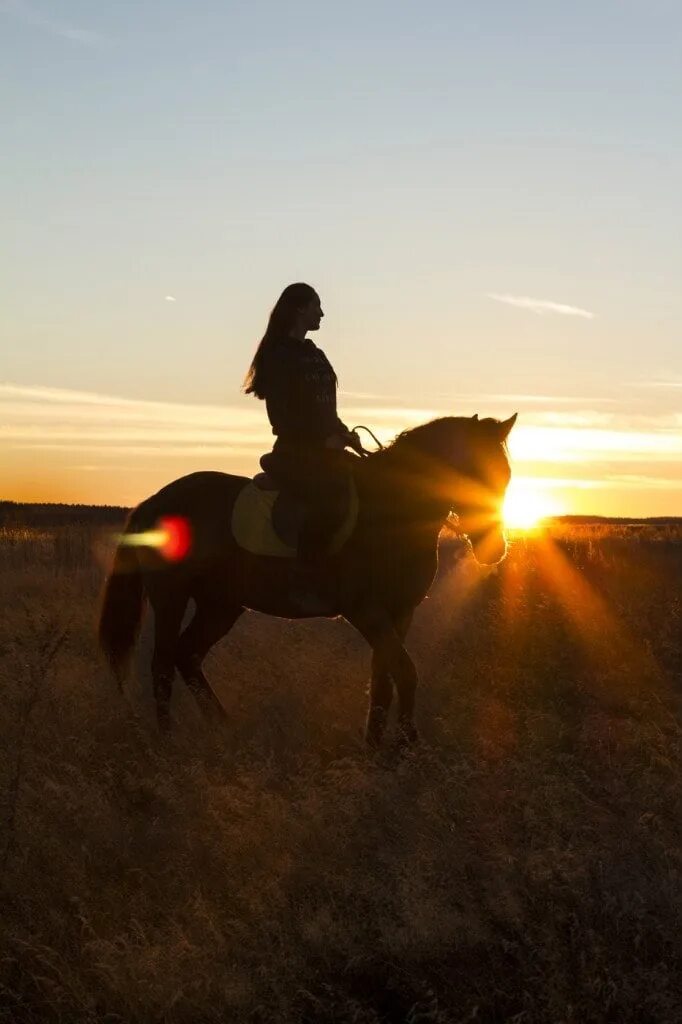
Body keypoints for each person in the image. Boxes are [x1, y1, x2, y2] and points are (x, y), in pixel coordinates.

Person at [243, 282, 361, 610]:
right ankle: (305, 577)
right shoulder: (278, 355)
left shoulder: (314, 354)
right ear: (299, 309)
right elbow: (282, 416)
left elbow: (325, 408)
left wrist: (342, 432)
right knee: (326, 498)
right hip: (296, 452)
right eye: (316, 306)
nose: (322, 313)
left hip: (326, 450)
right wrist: (322, 439)